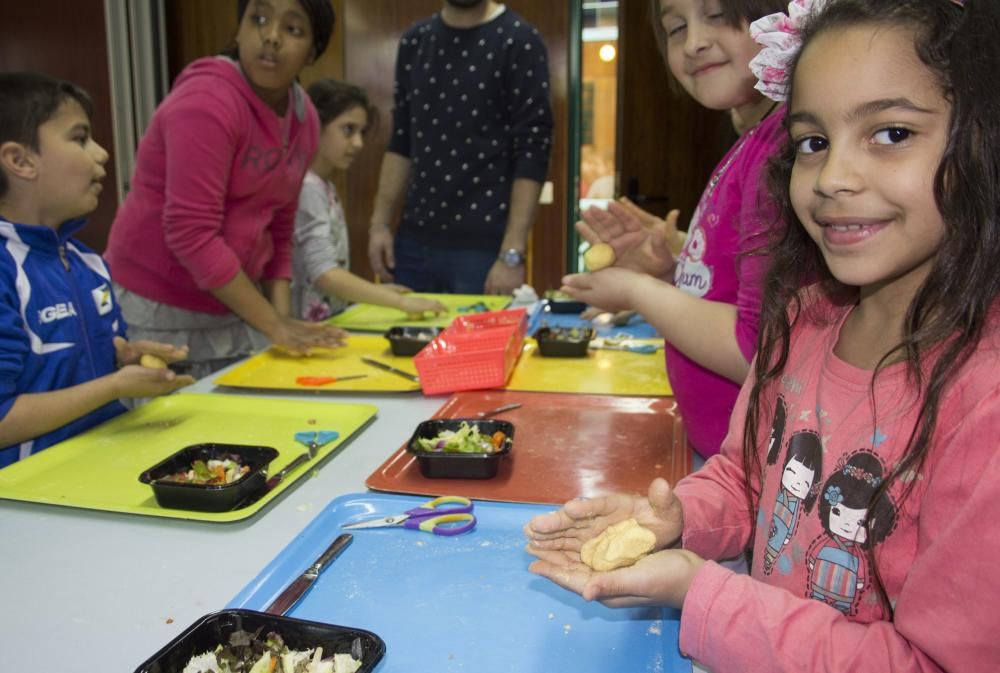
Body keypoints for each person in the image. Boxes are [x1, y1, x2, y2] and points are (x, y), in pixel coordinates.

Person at [525, 0, 1000, 670]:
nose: (834, 177)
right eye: (813, 142)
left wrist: (703, 595)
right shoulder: (803, 321)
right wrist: (677, 518)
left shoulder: (984, 402)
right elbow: (749, 476)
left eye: (891, 132)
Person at [561, 0, 789, 459]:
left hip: (755, 472)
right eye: (676, 27)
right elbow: (731, 289)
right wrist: (672, 269)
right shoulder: (751, 142)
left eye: (719, 16)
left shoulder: (779, 151)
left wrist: (638, 290)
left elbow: (755, 347)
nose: (695, 42)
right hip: (721, 460)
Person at [104, 0, 345, 381]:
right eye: (259, 19)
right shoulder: (207, 100)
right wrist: (273, 325)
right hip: (160, 307)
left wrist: (283, 322)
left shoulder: (305, 118)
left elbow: (279, 229)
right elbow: (191, 233)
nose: (270, 37)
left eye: (293, 29)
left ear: (312, 51)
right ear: (239, 30)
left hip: (234, 305)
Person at [0, 73, 194, 468]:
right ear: (21, 161)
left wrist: (127, 360)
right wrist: (113, 386)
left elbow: (80, 366)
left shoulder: (87, 261)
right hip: (29, 498)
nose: (102, 153)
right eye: (79, 138)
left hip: (105, 465)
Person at [367, 0, 554, 296]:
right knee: (405, 343)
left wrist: (512, 253)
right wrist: (379, 224)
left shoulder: (519, 40)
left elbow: (532, 151)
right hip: (412, 242)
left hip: (485, 248)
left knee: (478, 343)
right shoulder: (416, 40)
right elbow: (401, 139)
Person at [292, 79, 447, 321]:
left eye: (361, 132)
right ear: (315, 125)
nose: (358, 143)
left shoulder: (324, 185)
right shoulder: (307, 188)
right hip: (303, 328)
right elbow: (325, 274)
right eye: (348, 130)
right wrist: (399, 302)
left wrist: (376, 292)